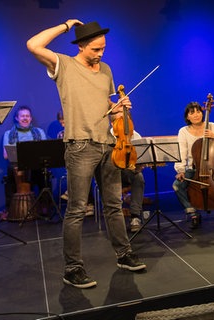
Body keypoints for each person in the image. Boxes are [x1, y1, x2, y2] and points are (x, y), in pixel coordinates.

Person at [26, 19, 146, 289]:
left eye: (103, 48)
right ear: (80, 46)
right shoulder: (63, 65)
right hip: (80, 146)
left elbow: (104, 101)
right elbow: (33, 44)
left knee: (114, 206)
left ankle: (124, 254)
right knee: (77, 210)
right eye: (94, 49)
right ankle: (73, 268)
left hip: (108, 144)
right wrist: (64, 26)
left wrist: (118, 106)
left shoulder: (105, 69)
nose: (100, 54)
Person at [173, 101, 214, 229]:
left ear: (202, 112)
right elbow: (182, 152)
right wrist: (180, 170)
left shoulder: (212, 126)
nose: (196, 115)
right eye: (192, 113)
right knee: (177, 186)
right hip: (194, 169)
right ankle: (192, 212)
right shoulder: (183, 131)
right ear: (187, 116)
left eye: (198, 111)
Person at [2, 105, 48, 210]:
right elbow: (6, 155)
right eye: (22, 116)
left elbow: (45, 151)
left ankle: (44, 205)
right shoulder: (9, 134)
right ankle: (11, 209)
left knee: (44, 170)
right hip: (18, 165)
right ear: (17, 118)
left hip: (36, 164)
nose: (25, 118)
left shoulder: (39, 132)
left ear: (31, 118)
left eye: (27, 116)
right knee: (11, 170)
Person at [121, 130, 146, 232]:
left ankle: (135, 216)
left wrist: (140, 165)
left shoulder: (135, 135)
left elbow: (141, 158)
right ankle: (115, 220)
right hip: (112, 173)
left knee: (138, 176)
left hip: (129, 172)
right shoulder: (109, 135)